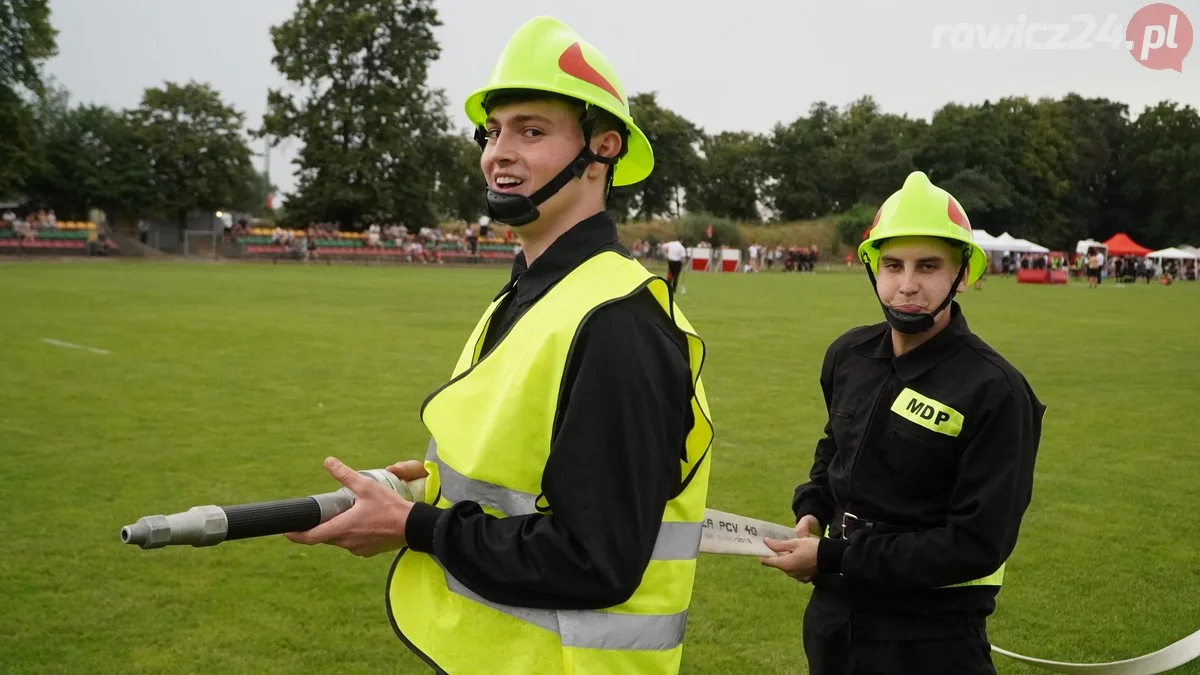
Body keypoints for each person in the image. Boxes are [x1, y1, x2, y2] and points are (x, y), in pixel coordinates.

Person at [284, 15, 714, 675]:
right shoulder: (531, 293)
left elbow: (595, 557)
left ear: (603, 148)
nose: (497, 153)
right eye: (492, 132)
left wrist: (415, 528)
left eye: (531, 131)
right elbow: (524, 468)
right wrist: (426, 489)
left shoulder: (618, 321)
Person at [760, 171, 1045, 675]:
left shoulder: (995, 390)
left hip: (929, 638)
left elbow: (977, 543)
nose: (907, 285)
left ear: (963, 273)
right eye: (892, 265)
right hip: (832, 621)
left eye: (928, 266)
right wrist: (813, 508)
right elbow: (836, 446)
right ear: (873, 268)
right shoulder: (848, 354)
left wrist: (835, 556)